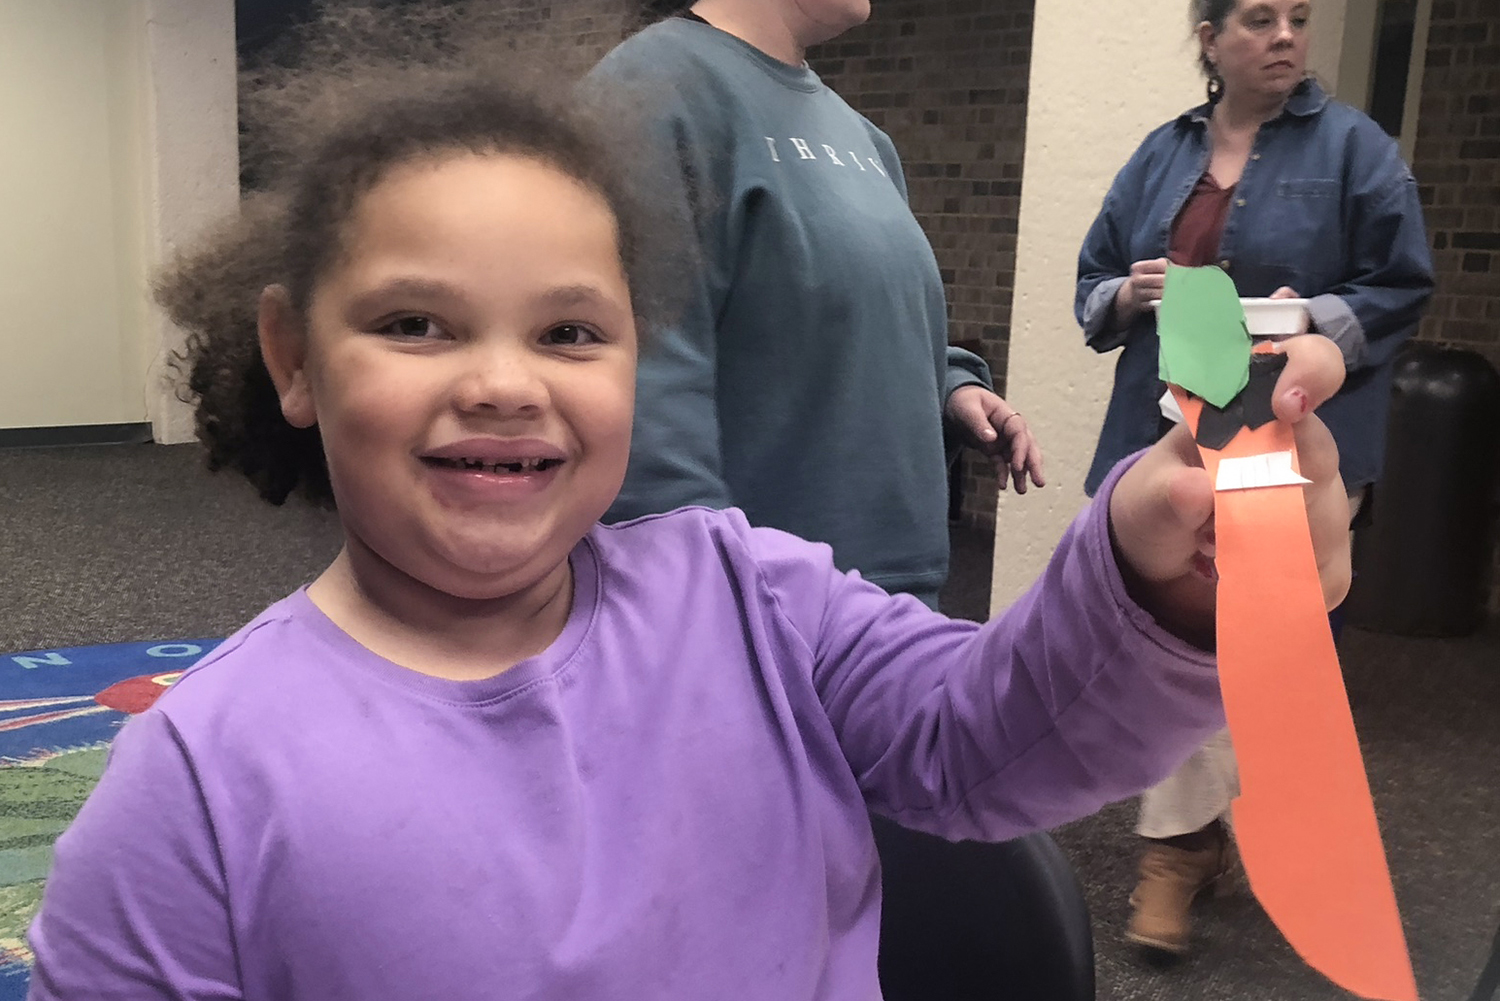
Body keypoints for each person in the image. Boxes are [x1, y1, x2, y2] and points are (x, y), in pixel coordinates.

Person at [27, 13, 1354, 999]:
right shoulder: (192, 793)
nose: (502, 383)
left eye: (570, 331)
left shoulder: (754, 596)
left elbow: (993, 737)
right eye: (416, 323)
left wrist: (1150, 577)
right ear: (295, 359)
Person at [1074, 0, 1434, 957]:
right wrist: (1130, 292)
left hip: (1292, 435)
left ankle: (1214, 843)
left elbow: (1401, 285)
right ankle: (1180, 846)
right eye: (1259, 17)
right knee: (1179, 638)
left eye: (1299, 17)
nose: (1284, 35)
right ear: (1210, 37)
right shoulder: (1158, 155)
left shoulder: (1358, 151)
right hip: (1170, 437)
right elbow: (1093, 284)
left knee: (1268, 658)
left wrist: (1313, 317)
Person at [585, 0, 1045, 609]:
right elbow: (639, 393)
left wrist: (949, 387)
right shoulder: (648, 92)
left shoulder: (863, 137)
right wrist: (715, 612)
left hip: (890, 605)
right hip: (765, 613)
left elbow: (842, 313)